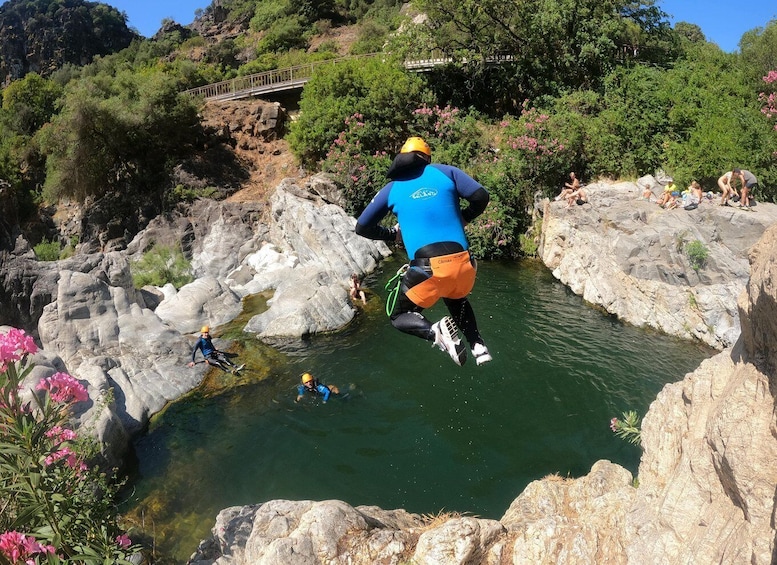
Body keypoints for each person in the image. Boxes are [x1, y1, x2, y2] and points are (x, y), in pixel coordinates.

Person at [354, 136, 492, 366]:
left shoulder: (392, 189)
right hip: (464, 265)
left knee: (399, 317)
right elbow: (481, 196)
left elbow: (362, 227)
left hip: (427, 270)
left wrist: (391, 234)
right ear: (427, 157)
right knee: (456, 298)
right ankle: (478, 345)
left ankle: (435, 332)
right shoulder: (446, 172)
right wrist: (464, 218)